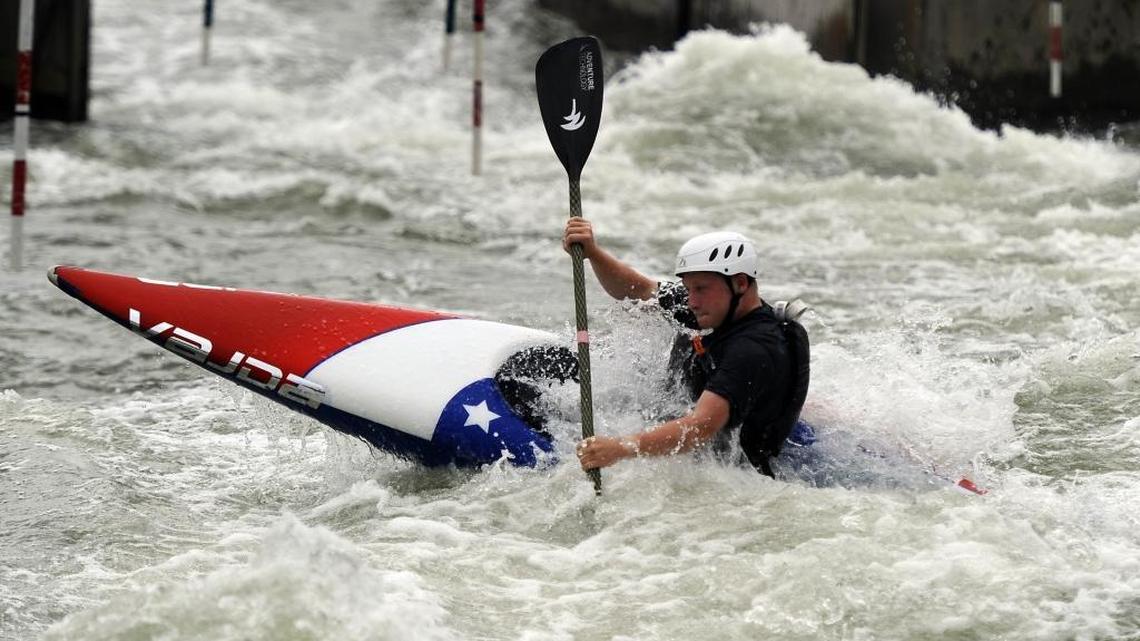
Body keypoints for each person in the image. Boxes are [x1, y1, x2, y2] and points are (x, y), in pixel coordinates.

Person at [564, 218, 810, 477]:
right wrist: (593, 253)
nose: (691, 301)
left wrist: (620, 448)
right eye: (688, 288)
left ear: (740, 283)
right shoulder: (719, 306)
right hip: (688, 418)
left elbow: (701, 427)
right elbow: (639, 289)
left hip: (731, 472)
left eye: (701, 289)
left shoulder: (754, 349)